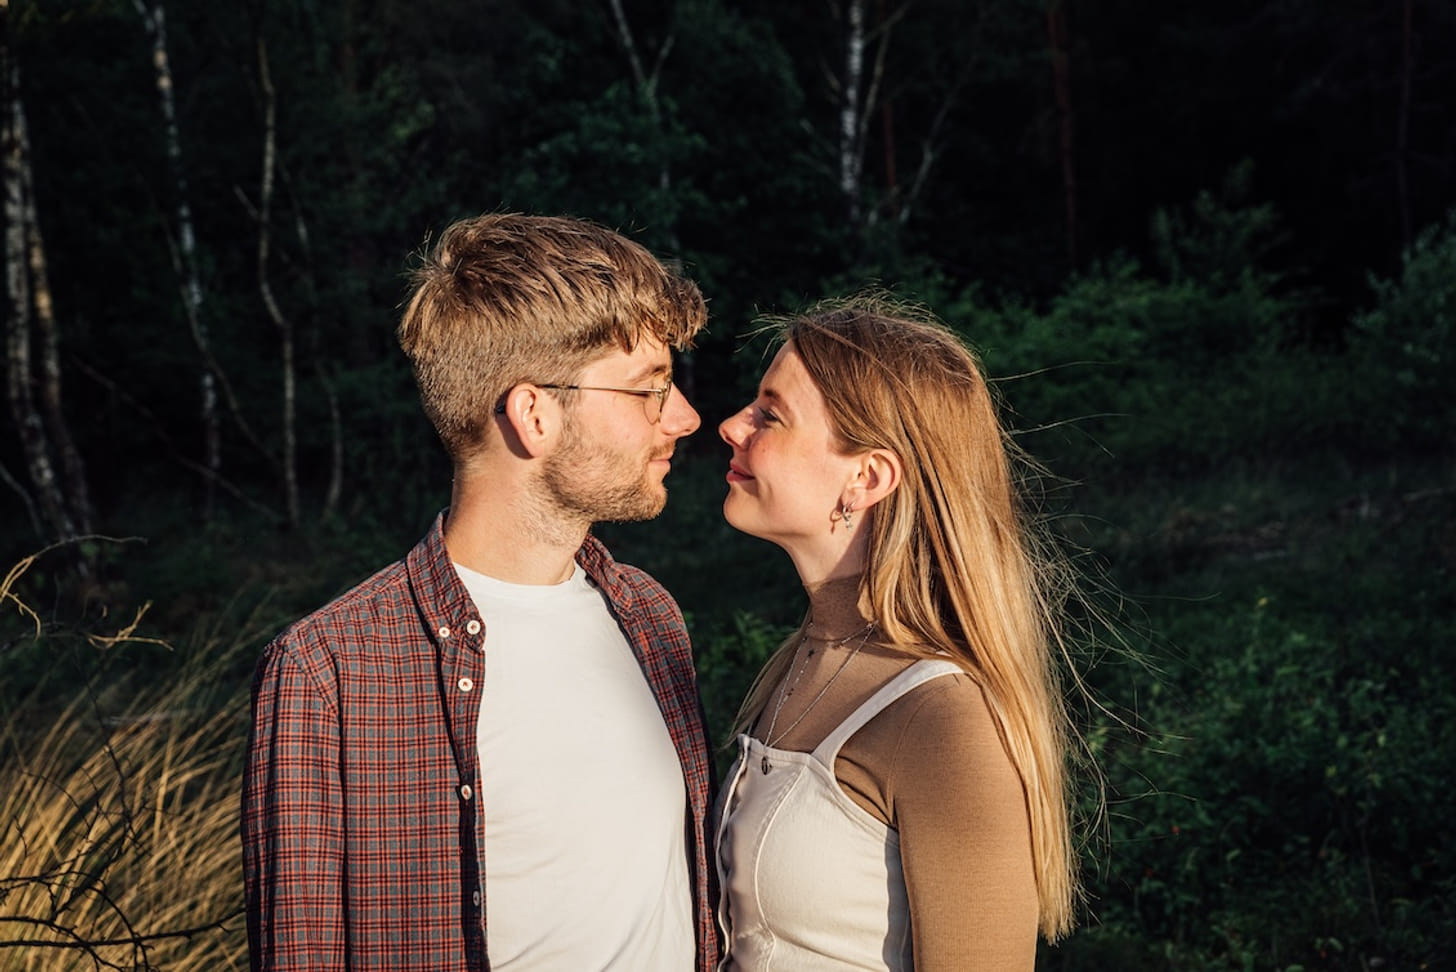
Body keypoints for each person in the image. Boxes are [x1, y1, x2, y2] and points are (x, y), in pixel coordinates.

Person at [241, 213, 720, 972]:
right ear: (532, 414)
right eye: (648, 390)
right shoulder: (327, 673)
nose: (687, 417)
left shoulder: (650, 617)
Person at [713, 295, 1081, 970]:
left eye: (771, 415)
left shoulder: (943, 721)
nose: (731, 426)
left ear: (868, 477)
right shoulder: (801, 662)